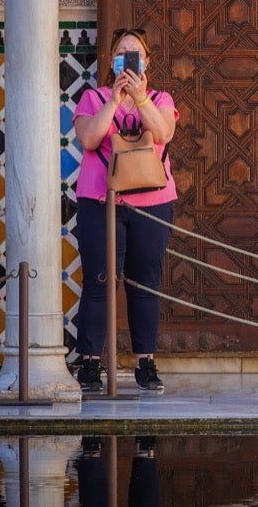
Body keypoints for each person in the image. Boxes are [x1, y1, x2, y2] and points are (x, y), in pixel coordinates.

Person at [71, 28, 178, 393]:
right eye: (122, 53)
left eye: (136, 54)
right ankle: (89, 364)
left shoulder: (161, 98)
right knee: (99, 283)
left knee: (145, 283)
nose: (129, 59)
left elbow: (164, 132)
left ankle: (145, 364)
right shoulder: (92, 98)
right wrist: (115, 101)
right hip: (101, 202)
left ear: (146, 62)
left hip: (152, 204)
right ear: (112, 61)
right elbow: (88, 138)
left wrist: (141, 98)